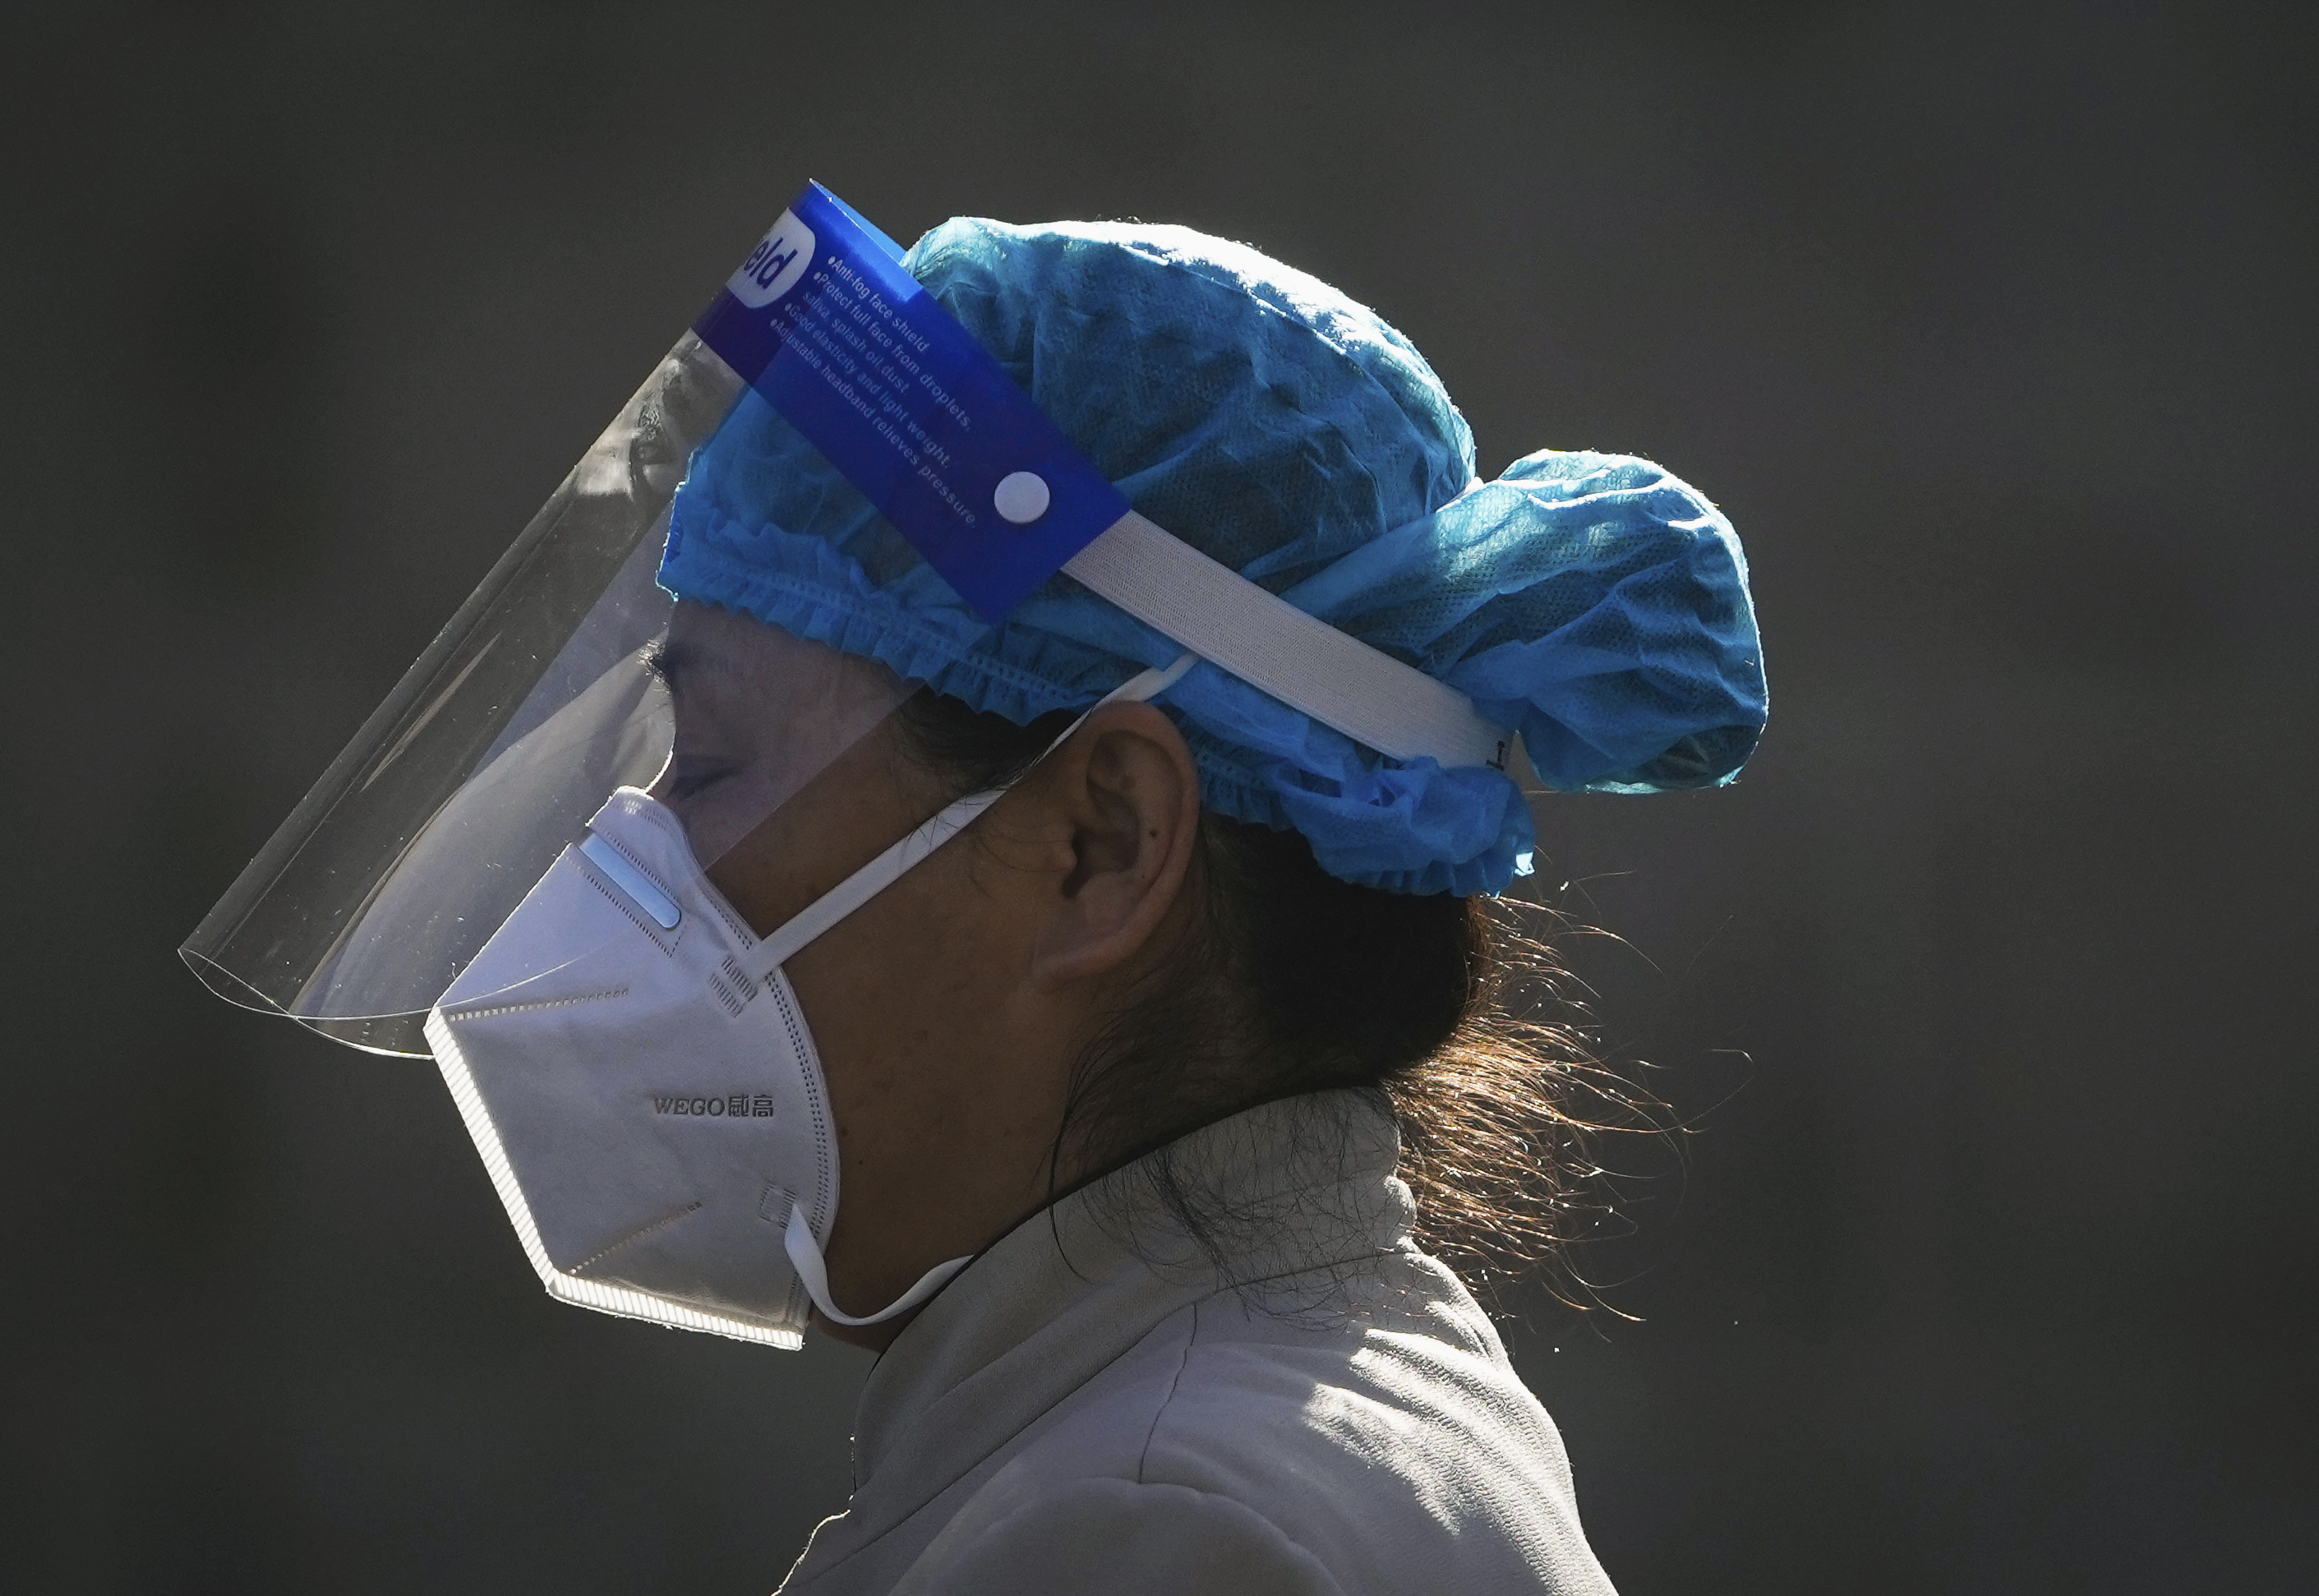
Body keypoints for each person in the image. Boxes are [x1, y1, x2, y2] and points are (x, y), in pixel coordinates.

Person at [186, 202, 1765, 1595]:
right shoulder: (1296, 1419)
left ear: (1104, 840)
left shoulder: (1146, 1532)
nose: (626, 851)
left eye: (714, 760)